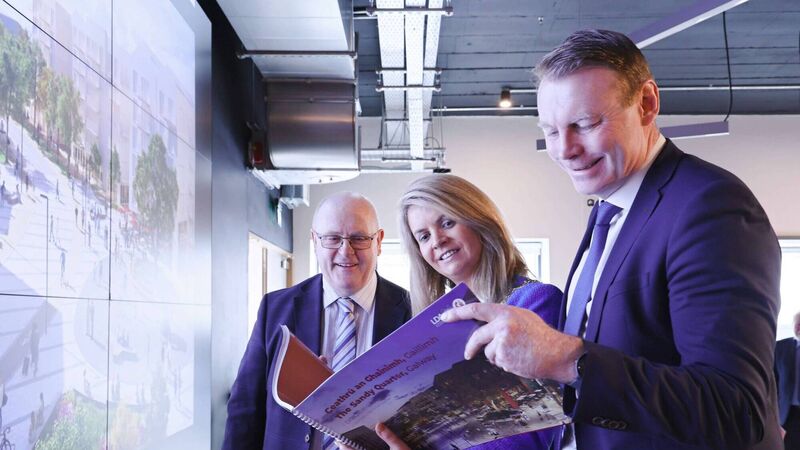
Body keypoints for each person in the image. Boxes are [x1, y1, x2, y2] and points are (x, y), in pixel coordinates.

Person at [439, 29, 781, 449]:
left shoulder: (709, 205)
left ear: (647, 104)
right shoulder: (608, 209)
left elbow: (734, 409)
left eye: (584, 124)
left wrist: (566, 357)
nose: (564, 150)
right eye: (551, 131)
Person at [363, 174, 564, 450]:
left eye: (447, 222)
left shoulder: (536, 301)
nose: (437, 240)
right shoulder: (440, 326)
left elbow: (531, 435)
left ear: (478, 220)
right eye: (424, 236)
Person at [222, 192, 412, 450]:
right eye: (332, 238)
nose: (346, 251)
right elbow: (245, 411)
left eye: (359, 238)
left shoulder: (415, 311)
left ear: (378, 241)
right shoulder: (275, 309)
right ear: (314, 241)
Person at [776, 312, 800, 449]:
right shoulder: (780, 348)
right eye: (797, 324)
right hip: (788, 414)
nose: (798, 328)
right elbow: (771, 383)